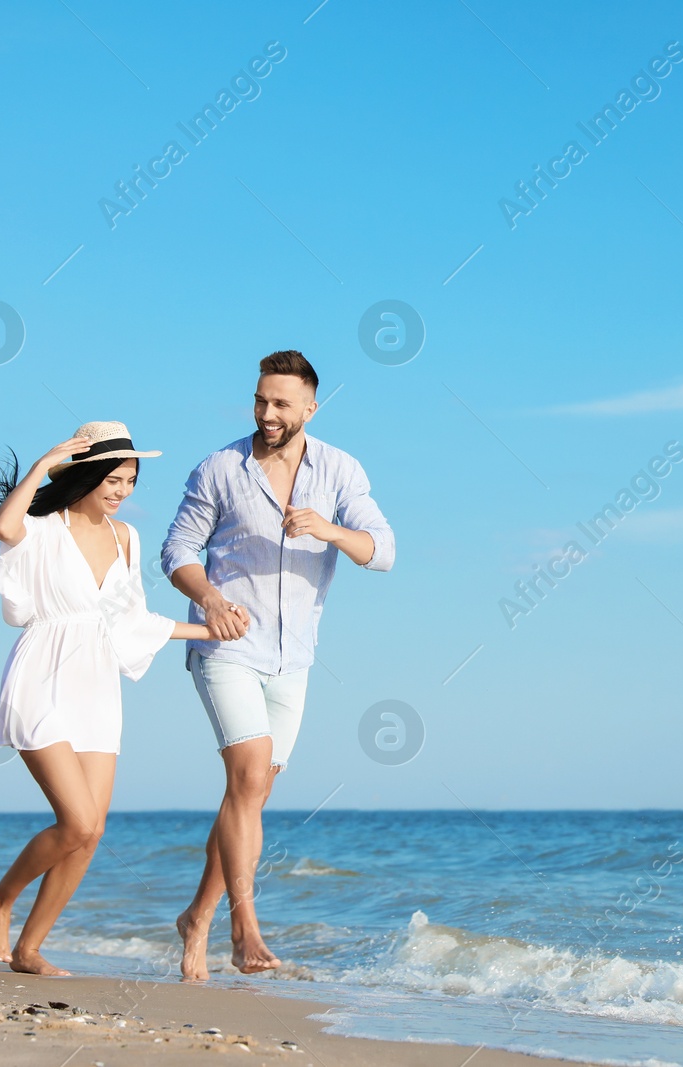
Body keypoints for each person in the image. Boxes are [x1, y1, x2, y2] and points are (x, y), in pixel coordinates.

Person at [0, 421, 230, 976]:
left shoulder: (125, 538)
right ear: (84, 474)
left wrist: (208, 631)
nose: (120, 490)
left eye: (130, 481)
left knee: (92, 832)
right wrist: (45, 464)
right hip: (42, 671)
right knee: (78, 822)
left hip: (96, 681)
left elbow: (129, 621)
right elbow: (4, 525)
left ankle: (29, 949)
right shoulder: (43, 526)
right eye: (112, 478)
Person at [162, 350, 394, 980]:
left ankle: (195, 921)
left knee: (251, 795)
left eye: (281, 403)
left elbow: (383, 551)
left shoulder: (340, 471)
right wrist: (209, 599)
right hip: (229, 645)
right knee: (246, 780)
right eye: (261, 400)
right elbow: (177, 549)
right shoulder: (219, 468)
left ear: (309, 409)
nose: (267, 413)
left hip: (296, 658)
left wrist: (330, 530)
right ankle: (245, 927)